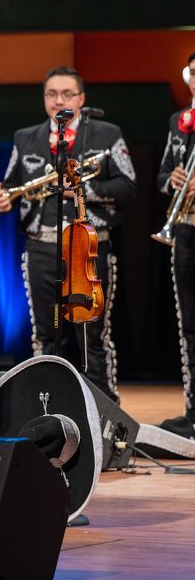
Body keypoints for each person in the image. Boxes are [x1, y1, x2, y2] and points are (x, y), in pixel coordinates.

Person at [0, 66, 136, 401]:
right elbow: (11, 185)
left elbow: (128, 185)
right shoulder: (25, 137)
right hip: (41, 245)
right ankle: (47, 403)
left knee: (92, 333)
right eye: (52, 94)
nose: (59, 101)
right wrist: (3, 200)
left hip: (88, 245)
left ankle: (102, 404)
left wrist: (83, 189)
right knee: (46, 333)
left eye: (67, 94)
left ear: (81, 99)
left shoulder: (107, 133)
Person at [154, 52, 195, 437]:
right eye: (194, 74)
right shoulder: (178, 122)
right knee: (190, 325)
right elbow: (163, 172)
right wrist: (174, 180)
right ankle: (193, 410)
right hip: (186, 229)